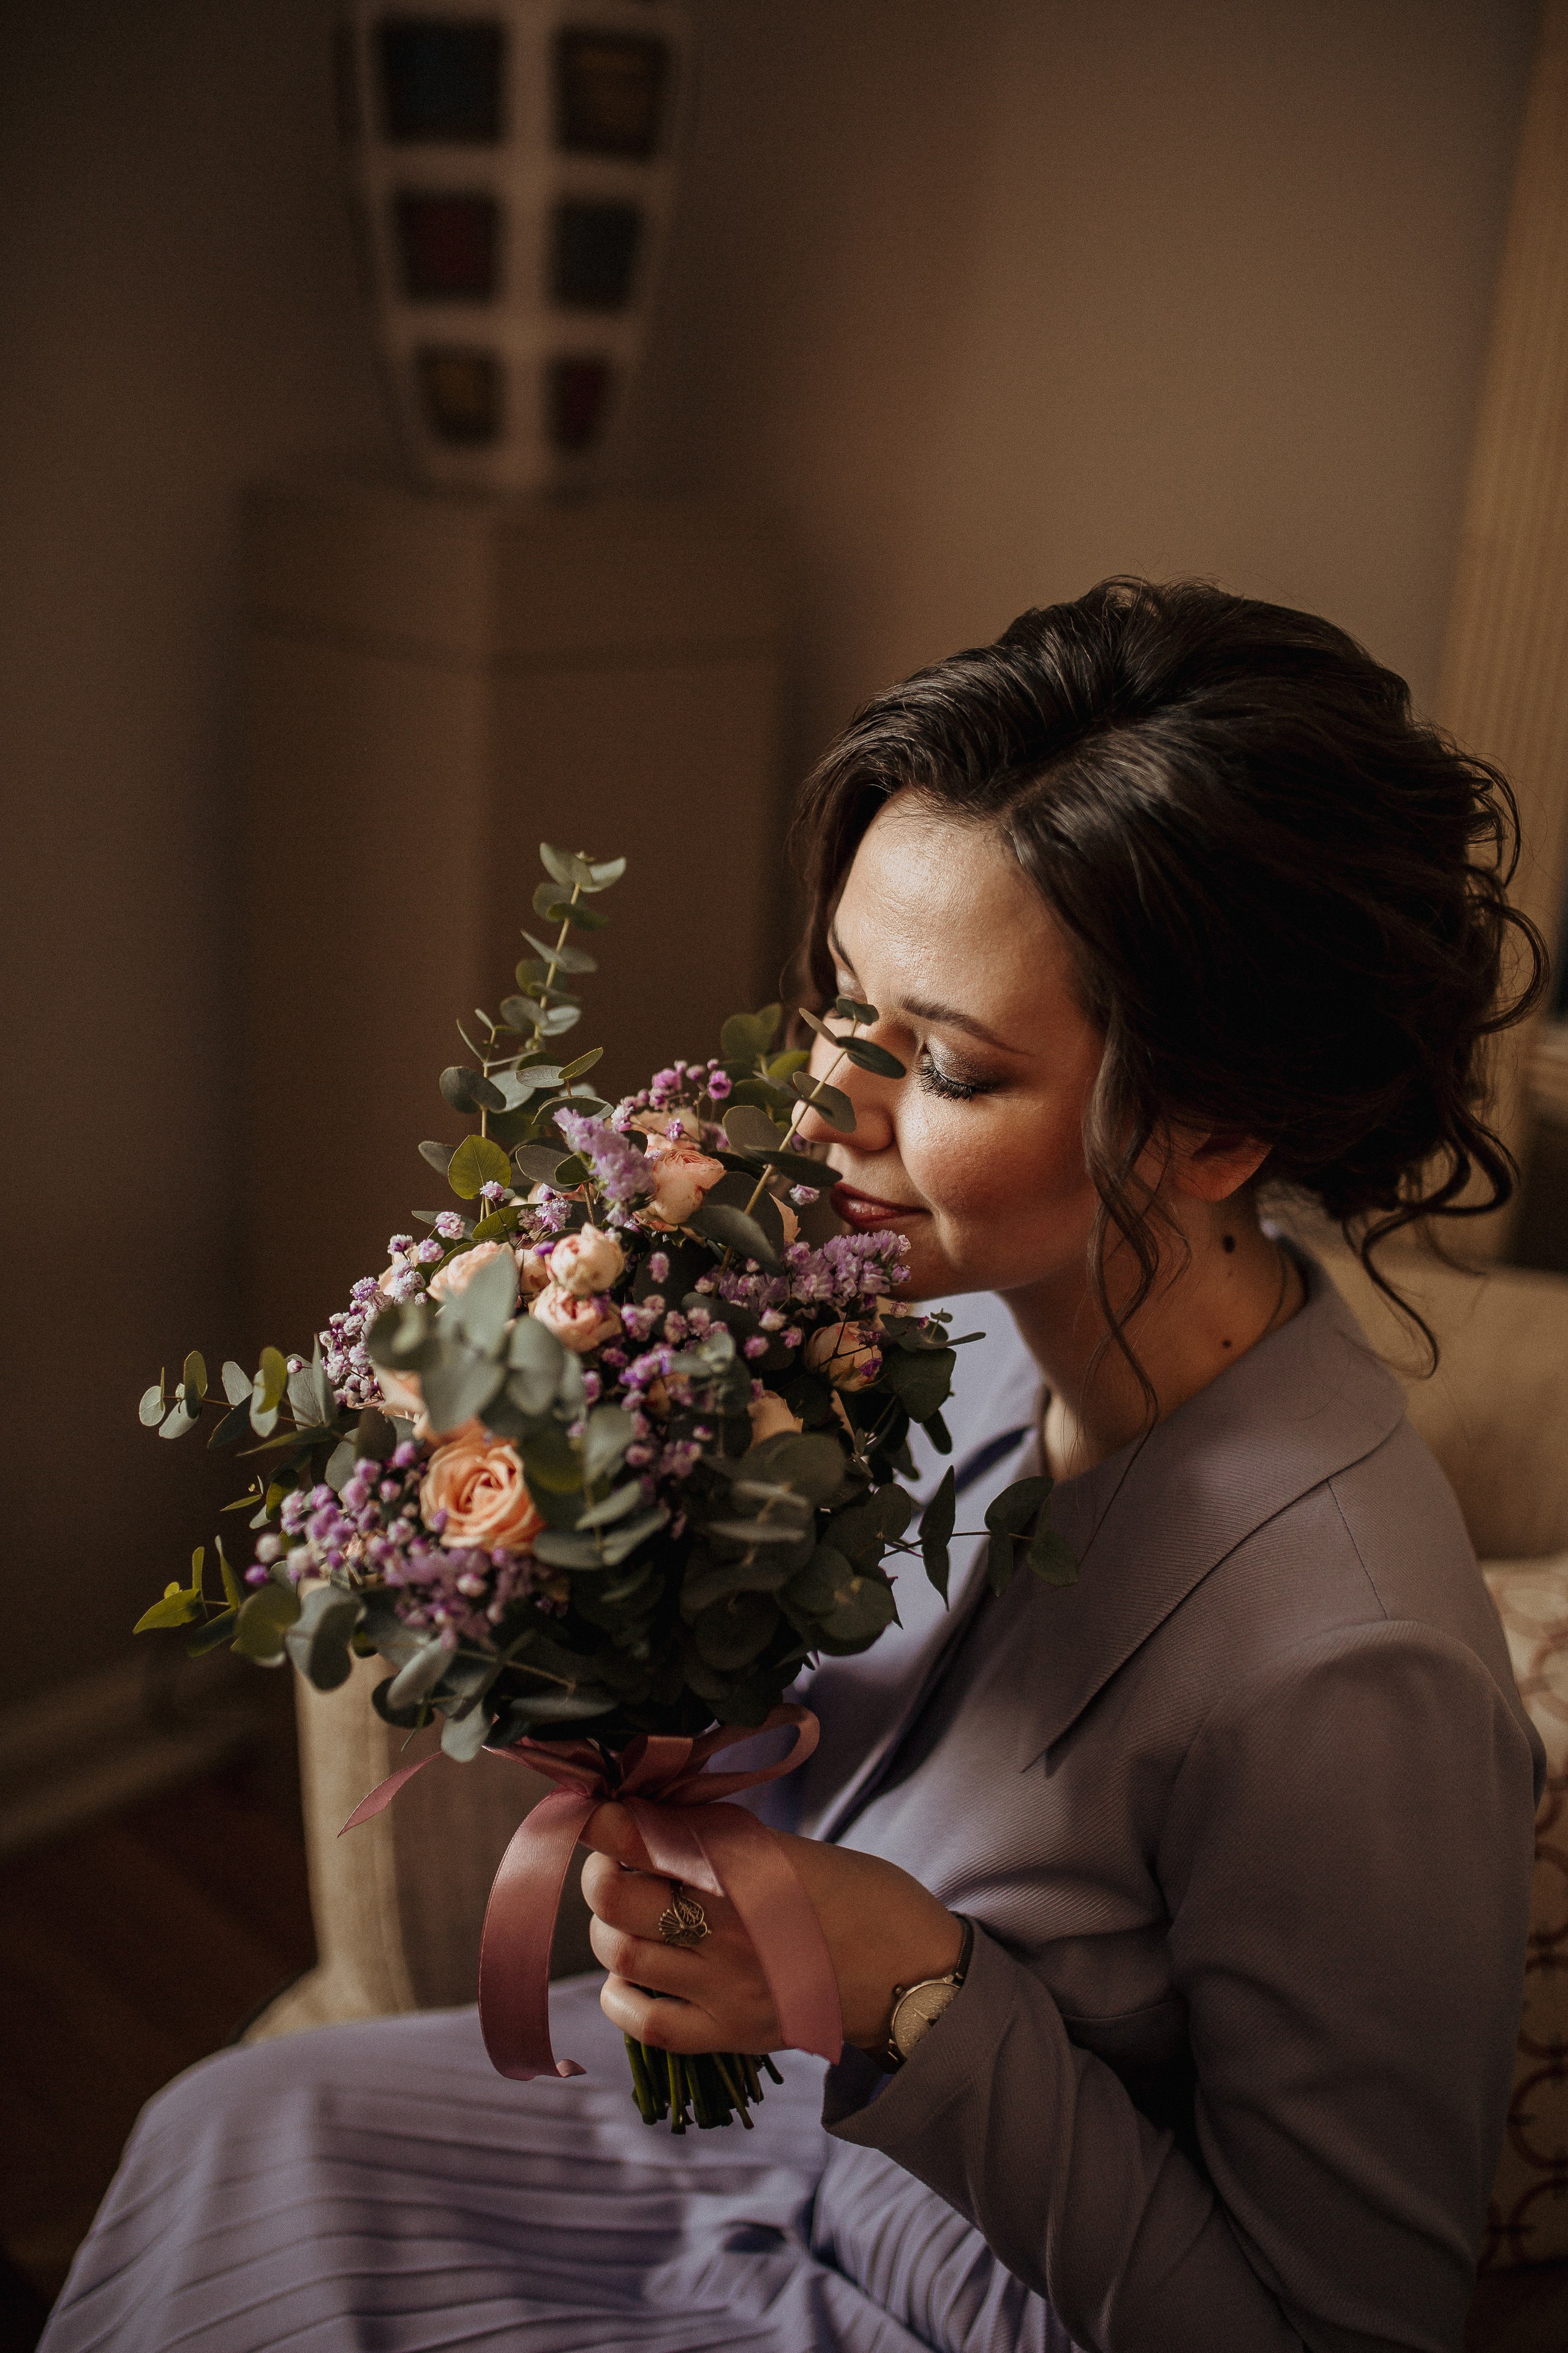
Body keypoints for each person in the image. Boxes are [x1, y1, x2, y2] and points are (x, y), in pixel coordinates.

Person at [43, 580, 1547, 2353]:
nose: (827, 1102)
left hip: (980, 2291)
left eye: (951, 1066)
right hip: (754, 2145)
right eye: (845, 998)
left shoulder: (1347, 1676)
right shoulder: (949, 1328)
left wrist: (913, 1993)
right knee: (227, 2127)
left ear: (1214, 1127)